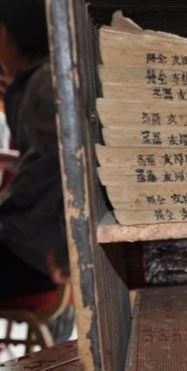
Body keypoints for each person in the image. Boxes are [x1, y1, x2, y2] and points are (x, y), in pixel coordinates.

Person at [0, 1, 70, 313]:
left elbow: (69, 168)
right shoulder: (40, 79)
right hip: (33, 247)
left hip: (31, 253)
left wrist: (67, 249)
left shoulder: (46, 84)